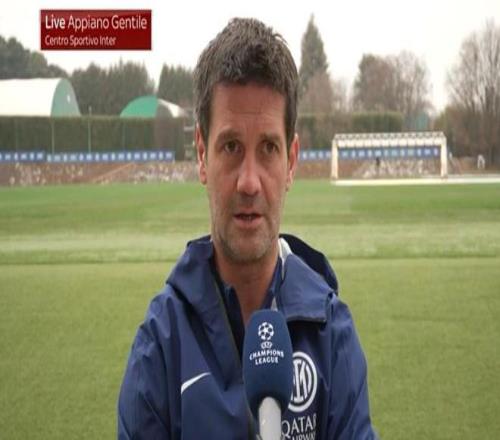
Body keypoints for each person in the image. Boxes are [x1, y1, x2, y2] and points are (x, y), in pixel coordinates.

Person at [118, 17, 376, 439]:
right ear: (202, 155)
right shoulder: (161, 345)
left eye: (269, 148)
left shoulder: (332, 333)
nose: (249, 182)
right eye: (231, 147)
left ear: (291, 161)